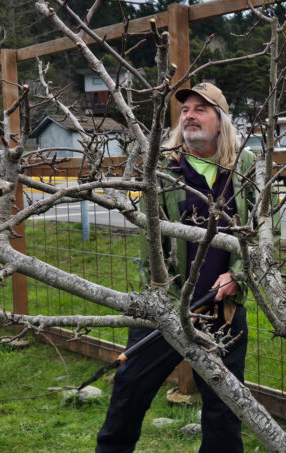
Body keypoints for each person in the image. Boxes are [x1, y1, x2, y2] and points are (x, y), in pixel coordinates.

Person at [96, 82, 257, 453]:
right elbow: (149, 243)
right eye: (185, 110)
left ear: (221, 119)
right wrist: (169, 304)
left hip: (222, 310)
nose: (189, 116)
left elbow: (265, 229)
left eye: (201, 109)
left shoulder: (245, 166)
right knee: (129, 391)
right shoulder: (165, 168)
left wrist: (238, 275)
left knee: (225, 408)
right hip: (166, 305)